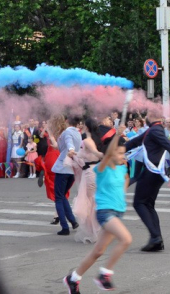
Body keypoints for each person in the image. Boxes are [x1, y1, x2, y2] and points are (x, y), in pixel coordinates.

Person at [63, 126, 132, 294]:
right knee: (126, 239)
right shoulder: (102, 168)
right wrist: (117, 134)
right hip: (105, 212)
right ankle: (104, 275)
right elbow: (107, 156)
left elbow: (126, 179)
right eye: (119, 153)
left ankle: (73, 278)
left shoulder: (122, 168)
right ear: (110, 154)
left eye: (123, 154)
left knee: (98, 251)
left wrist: (121, 194)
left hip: (117, 212)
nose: (122, 157)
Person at [124, 110, 170, 252]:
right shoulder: (153, 130)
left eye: (147, 115)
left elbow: (169, 146)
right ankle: (157, 239)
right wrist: (115, 149)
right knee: (148, 205)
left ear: (152, 116)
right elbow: (135, 142)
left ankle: (155, 237)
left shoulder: (155, 131)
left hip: (152, 172)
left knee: (139, 203)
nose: (145, 117)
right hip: (156, 173)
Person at [70, 118, 105, 244]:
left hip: (90, 172)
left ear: (87, 127)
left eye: (83, 125)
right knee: (92, 201)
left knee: (91, 202)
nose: (82, 126)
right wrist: (74, 154)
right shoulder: (94, 139)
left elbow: (96, 153)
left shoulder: (87, 141)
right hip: (92, 170)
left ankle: (95, 231)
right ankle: (96, 230)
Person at [51, 115, 82, 236]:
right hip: (72, 169)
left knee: (58, 197)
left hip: (63, 168)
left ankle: (65, 226)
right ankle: (73, 221)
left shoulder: (67, 132)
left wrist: (70, 149)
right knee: (62, 196)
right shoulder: (78, 133)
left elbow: (69, 143)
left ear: (67, 121)